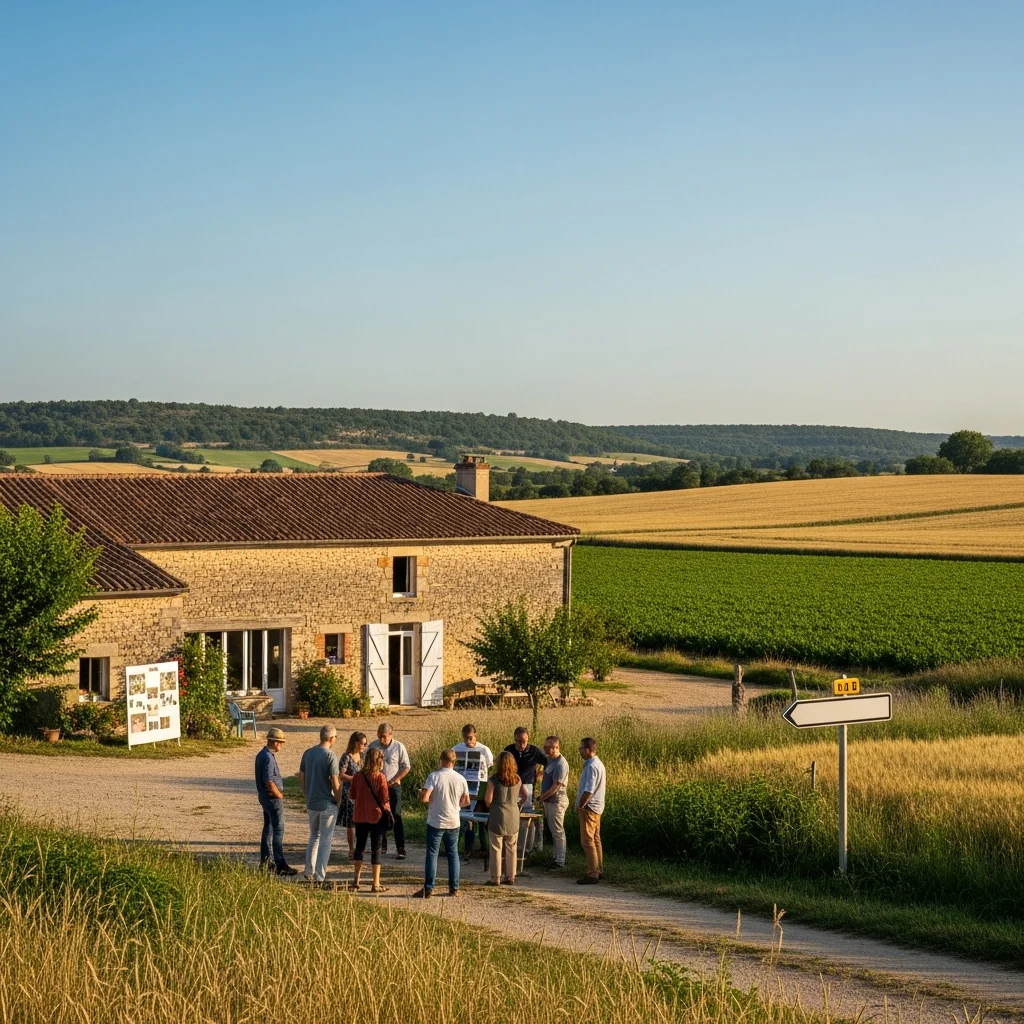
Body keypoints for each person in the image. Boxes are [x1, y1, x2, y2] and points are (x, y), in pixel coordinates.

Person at [412, 749, 470, 898]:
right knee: (453, 853)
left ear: (441, 760)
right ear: (454, 761)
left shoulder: (434, 776)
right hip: (453, 820)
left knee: (432, 854)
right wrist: (456, 805)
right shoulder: (460, 779)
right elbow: (466, 801)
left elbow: (425, 798)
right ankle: (454, 887)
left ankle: (429, 888)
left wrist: (422, 794)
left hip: (436, 820)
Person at [298, 725, 341, 884]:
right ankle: (320, 876)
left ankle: (308, 871)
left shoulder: (308, 753)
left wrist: (307, 792)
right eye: (336, 737)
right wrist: (338, 800)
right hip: (326, 804)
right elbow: (335, 782)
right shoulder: (330, 755)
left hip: (312, 802)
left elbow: (301, 776)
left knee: (314, 836)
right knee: (325, 840)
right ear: (331, 738)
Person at [254, 726, 297, 876]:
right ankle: (280, 863)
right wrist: (279, 794)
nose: (281, 745)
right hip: (272, 798)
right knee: (278, 829)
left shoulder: (262, 754)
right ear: (273, 741)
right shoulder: (267, 757)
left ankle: (266, 861)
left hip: (265, 798)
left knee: (269, 828)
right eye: (279, 742)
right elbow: (269, 781)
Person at [349, 746, 392, 892]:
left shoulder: (357, 776)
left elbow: (352, 795)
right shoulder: (380, 777)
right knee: (376, 849)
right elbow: (384, 798)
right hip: (376, 816)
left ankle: (356, 880)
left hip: (360, 815)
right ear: (379, 761)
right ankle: (376, 883)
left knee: (359, 847)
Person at [484, 750, 530, 886]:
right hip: (513, 813)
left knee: (496, 846)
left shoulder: (493, 780)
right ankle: (510, 876)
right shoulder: (517, 779)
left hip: (498, 813)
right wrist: (518, 805)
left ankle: (495, 878)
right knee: (511, 846)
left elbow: (488, 800)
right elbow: (525, 796)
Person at [368, 723, 411, 859]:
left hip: (393, 786)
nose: (382, 739)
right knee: (379, 815)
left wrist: (393, 780)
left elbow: (406, 767)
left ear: (390, 735)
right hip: (377, 787)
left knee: (396, 816)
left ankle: (400, 847)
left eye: (384, 737)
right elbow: (367, 765)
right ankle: (381, 845)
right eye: (380, 736)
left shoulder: (399, 747)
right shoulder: (373, 746)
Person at [504, 726, 547, 857]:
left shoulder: (534, 751)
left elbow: (547, 762)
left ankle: (527, 848)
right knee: (510, 815)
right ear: (514, 739)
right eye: (518, 741)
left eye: (524, 741)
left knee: (527, 817)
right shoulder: (509, 750)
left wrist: (541, 775)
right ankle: (511, 845)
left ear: (528, 739)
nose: (521, 744)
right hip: (511, 785)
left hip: (527, 786)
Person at [453, 723, 493, 859]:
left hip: (479, 789)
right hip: (463, 790)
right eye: (465, 738)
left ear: (475, 735)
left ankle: (484, 847)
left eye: (470, 738)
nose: (468, 741)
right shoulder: (456, 749)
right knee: (466, 820)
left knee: (481, 819)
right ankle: (468, 849)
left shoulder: (484, 750)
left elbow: (489, 767)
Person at [575, 736, 606, 885]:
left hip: (589, 807)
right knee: (595, 838)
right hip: (597, 807)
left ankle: (592, 873)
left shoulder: (591, 766)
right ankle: (599, 869)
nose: (579, 751)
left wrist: (581, 805)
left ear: (588, 750)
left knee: (587, 840)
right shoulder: (598, 764)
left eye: (581, 748)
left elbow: (589, 790)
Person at [538, 735, 569, 869]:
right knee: (553, 830)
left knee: (558, 830)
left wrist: (542, 797)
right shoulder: (550, 760)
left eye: (548, 747)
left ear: (556, 747)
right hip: (549, 801)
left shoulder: (561, 764)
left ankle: (560, 860)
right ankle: (555, 857)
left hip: (557, 801)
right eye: (545, 746)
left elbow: (556, 786)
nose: (546, 749)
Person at [338, 731, 367, 859]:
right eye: (362, 744)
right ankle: (351, 848)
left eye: (365, 744)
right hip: (350, 793)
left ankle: (360, 846)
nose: (364, 746)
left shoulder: (363, 756)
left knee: (362, 821)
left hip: (362, 793)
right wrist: (354, 778)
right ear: (355, 743)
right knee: (351, 822)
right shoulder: (346, 757)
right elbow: (340, 774)